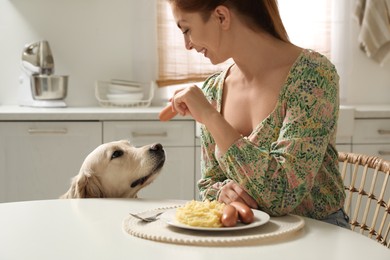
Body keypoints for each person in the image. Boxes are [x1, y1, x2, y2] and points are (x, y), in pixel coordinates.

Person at [166, 0, 350, 228]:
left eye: (186, 29)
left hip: (317, 232)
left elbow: (283, 194)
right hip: (246, 233)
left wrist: (211, 117)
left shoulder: (313, 76)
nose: (187, 44)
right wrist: (224, 193)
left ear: (221, 16)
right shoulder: (214, 90)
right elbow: (209, 184)